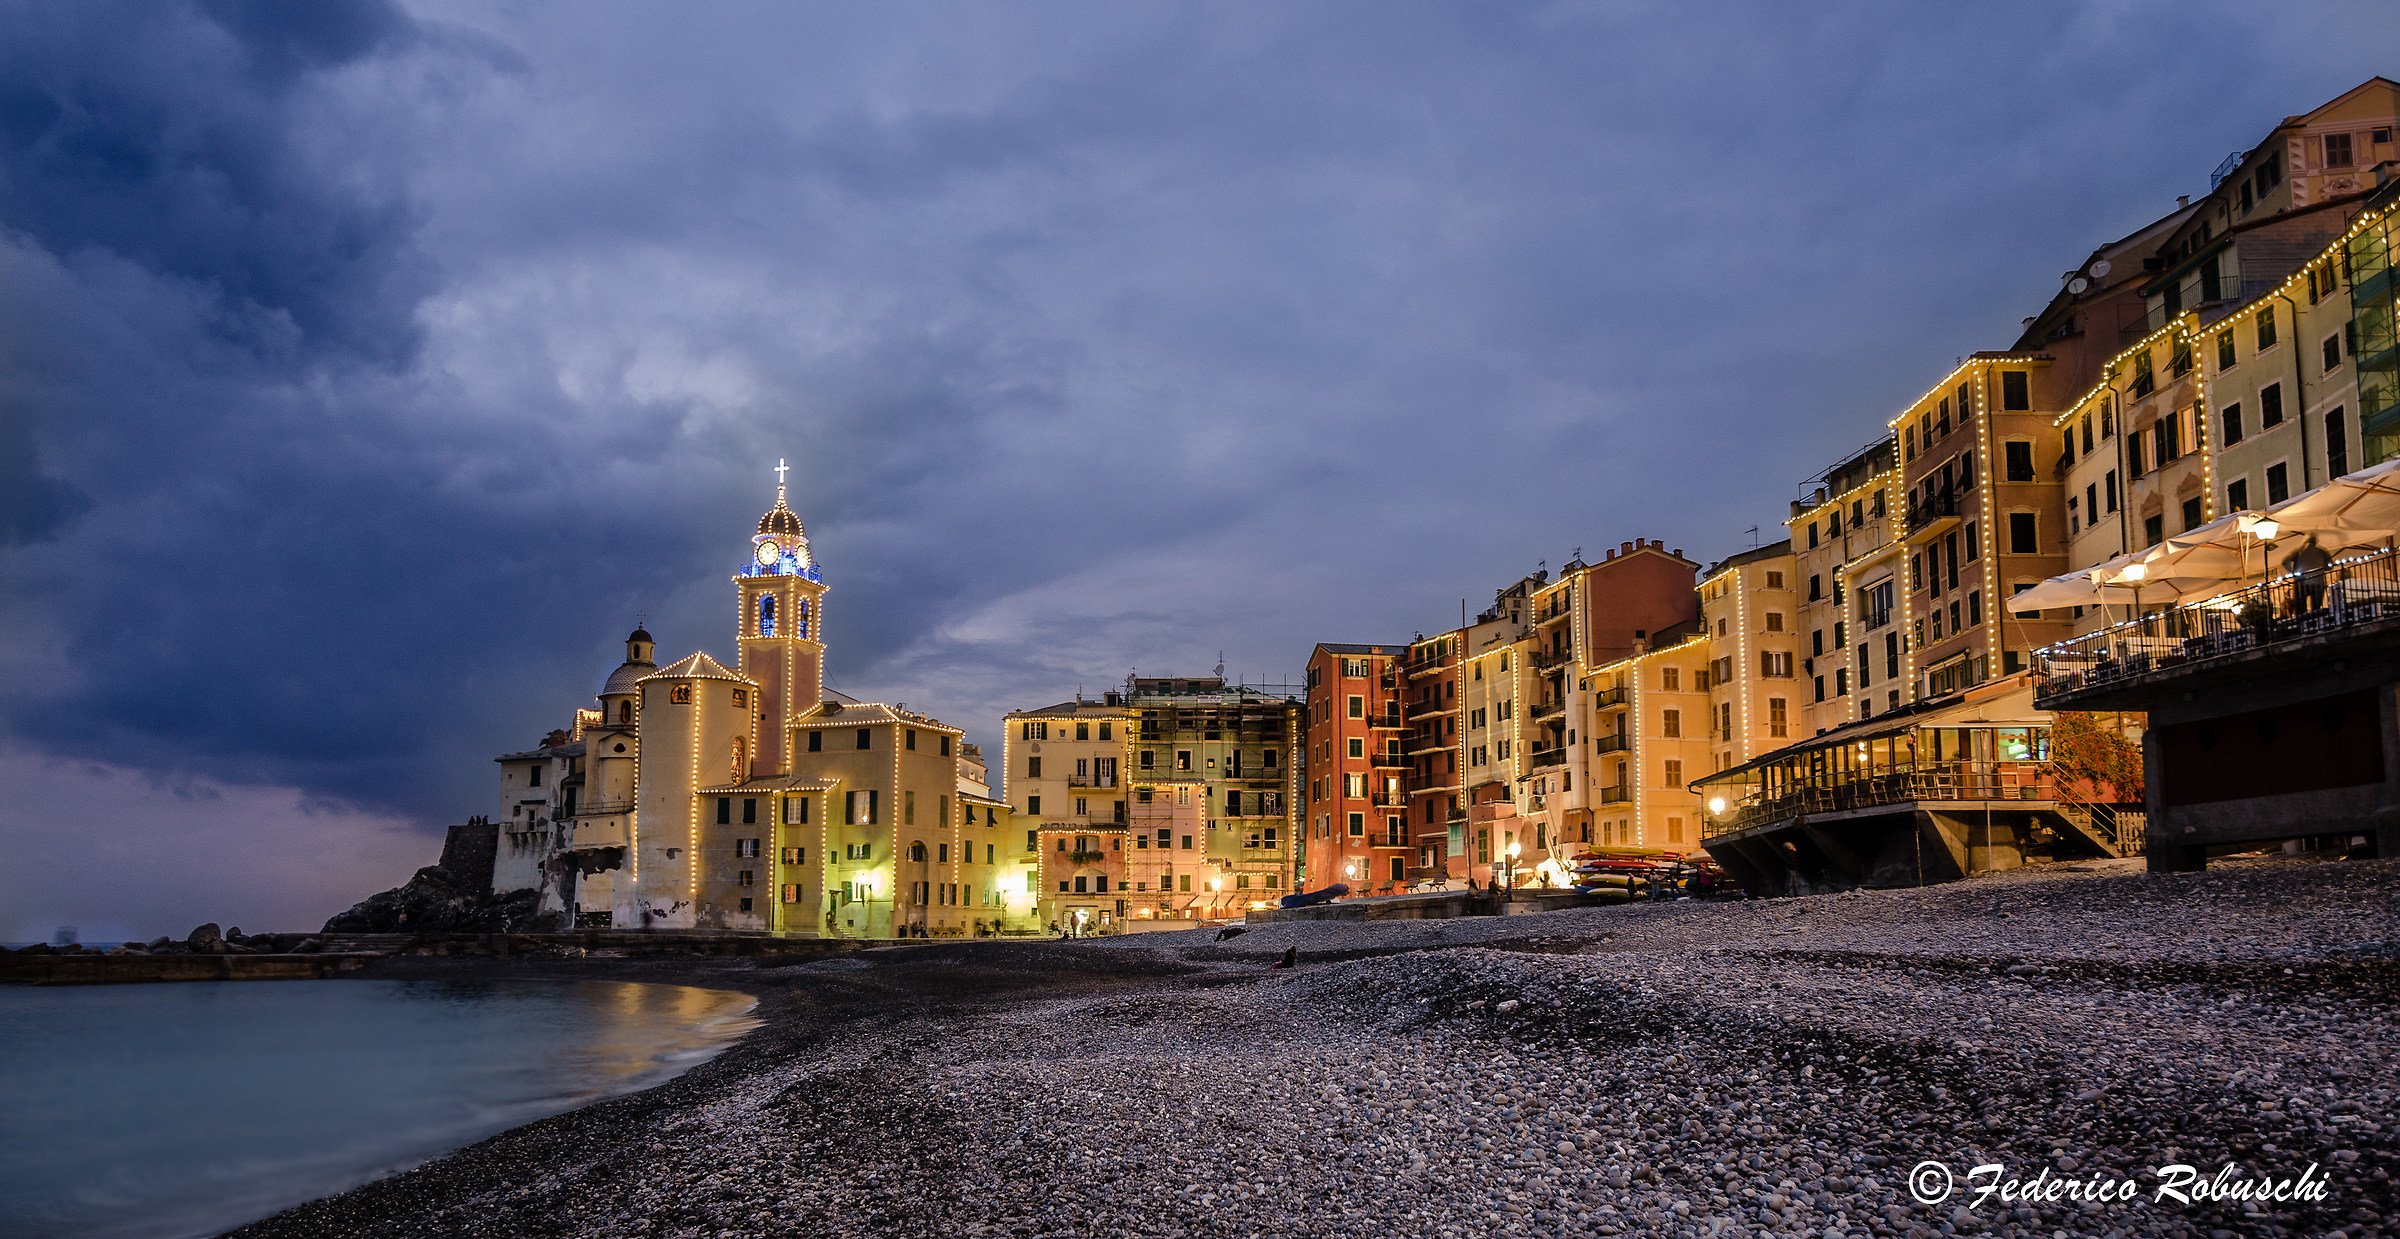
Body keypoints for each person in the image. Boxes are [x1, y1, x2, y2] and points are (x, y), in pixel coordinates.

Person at [2285, 535, 2334, 614]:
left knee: (2301, 608)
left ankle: (2302, 622)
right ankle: (2316, 621)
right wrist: (2322, 569)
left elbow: (2285, 561)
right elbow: (2330, 565)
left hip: (2301, 582)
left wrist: (2292, 572)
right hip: (2318, 582)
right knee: (2316, 607)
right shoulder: (2321, 551)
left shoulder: (2299, 551)